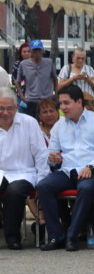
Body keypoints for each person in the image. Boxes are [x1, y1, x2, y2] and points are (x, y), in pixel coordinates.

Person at [36, 85, 94, 251]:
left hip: (92, 170)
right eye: (60, 103)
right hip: (67, 170)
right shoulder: (59, 126)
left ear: (79, 102)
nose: (62, 107)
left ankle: (72, 235)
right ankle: (56, 236)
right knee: (44, 186)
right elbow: (52, 154)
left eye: (66, 103)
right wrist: (53, 158)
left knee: (86, 187)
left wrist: (90, 166)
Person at [0, 87, 48, 249]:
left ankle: (13, 237)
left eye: (9, 108)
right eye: (1, 108)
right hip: (1, 173)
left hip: (24, 173)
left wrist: (42, 180)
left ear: (16, 107)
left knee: (14, 191)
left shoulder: (29, 123)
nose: (5, 112)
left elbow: (41, 154)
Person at [18, 40, 56, 119]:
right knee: (31, 123)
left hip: (47, 99)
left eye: (39, 50)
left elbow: (55, 79)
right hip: (31, 100)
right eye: (34, 50)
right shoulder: (24, 64)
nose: (37, 53)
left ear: (42, 51)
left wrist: (56, 95)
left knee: (49, 122)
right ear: (31, 51)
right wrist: (22, 96)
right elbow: (17, 81)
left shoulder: (49, 62)